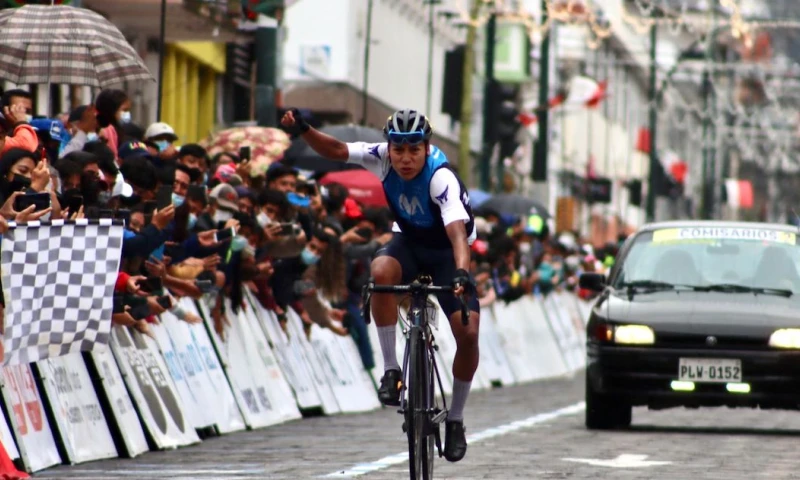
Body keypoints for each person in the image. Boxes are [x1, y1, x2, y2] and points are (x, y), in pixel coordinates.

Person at [281, 108, 479, 463]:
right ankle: (392, 370)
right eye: (398, 149)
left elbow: (457, 236)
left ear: (426, 147)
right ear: (389, 147)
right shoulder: (381, 158)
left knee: (468, 333)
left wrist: (462, 274)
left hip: (448, 251)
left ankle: (457, 420)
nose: (404, 158)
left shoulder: (440, 178)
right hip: (410, 242)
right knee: (381, 271)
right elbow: (337, 151)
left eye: (414, 150)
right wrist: (305, 129)